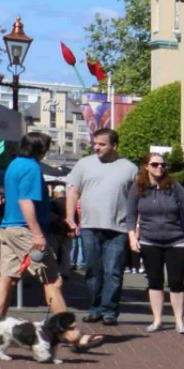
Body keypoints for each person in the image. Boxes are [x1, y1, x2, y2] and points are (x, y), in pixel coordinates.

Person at [0, 135, 101, 350]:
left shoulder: (14, 165)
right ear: (41, 150)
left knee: (7, 278)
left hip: (9, 227)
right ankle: (71, 335)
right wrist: (37, 233)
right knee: (53, 281)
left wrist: (55, 220)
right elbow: (26, 201)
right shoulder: (31, 168)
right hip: (25, 230)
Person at [66, 126, 140, 327]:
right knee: (92, 270)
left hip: (118, 228)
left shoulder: (130, 168)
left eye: (102, 144)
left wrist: (136, 226)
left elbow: (138, 198)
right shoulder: (84, 164)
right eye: (95, 143)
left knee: (113, 271)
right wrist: (70, 217)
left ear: (114, 146)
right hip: (90, 225)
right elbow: (72, 191)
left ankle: (110, 310)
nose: (96, 147)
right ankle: (95, 307)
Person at [130, 151, 184, 333]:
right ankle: (157, 320)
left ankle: (179, 321)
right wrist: (132, 236)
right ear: (146, 167)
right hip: (149, 239)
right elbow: (130, 214)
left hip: (175, 239)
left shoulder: (174, 186)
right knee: (155, 281)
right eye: (155, 164)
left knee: (176, 281)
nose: (159, 167)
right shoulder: (138, 187)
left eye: (162, 165)